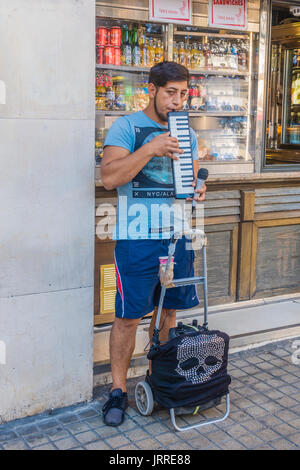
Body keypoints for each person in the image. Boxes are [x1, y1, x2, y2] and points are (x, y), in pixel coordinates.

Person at [101, 61, 207, 426]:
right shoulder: (126, 126)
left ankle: (156, 379)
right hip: (137, 237)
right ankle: (117, 391)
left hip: (177, 235)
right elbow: (110, 179)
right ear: (152, 89)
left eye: (183, 94)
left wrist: (197, 187)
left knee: (168, 314)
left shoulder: (187, 133)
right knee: (129, 318)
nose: (177, 101)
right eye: (170, 93)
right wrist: (151, 148)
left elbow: (188, 181)